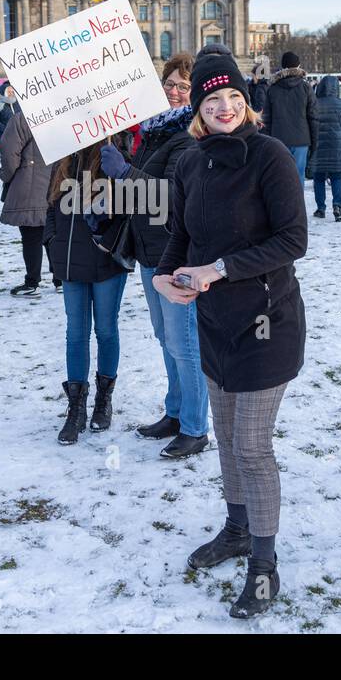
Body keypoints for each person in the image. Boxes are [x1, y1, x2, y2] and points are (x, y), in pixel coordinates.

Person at [155, 45, 308, 619]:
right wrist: (167, 276)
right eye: (212, 98)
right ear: (197, 106)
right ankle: (237, 528)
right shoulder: (191, 161)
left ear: (248, 102)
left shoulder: (269, 157)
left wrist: (219, 270)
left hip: (268, 323)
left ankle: (264, 567)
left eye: (234, 97)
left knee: (251, 445)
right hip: (214, 323)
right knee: (224, 436)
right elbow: (181, 234)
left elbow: (293, 240)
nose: (224, 106)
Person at [101, 51, 209, 457]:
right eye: (170, 84)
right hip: (151, 252)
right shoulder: (153, 132)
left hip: (177, 252)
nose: (176, 91)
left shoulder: (190, 137)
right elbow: (141, 190)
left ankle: (196, 427)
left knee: (184, 342)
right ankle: (176, 411)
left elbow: (169, 196)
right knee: (166, 338)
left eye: (184, 86)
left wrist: (126, 173)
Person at [46, 142, 130, 445]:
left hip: (105, 261)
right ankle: (76, 405)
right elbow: (51, 207)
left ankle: (103, 400)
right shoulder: (63, 158)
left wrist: (106, 225)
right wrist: (53, 244)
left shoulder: (114, 153)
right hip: (69, 262)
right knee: (76, 333)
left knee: (106, 330)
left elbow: (130, 207)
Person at [0, 104, 51, 297]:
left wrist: (6, 175)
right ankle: (59, 278)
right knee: (51, 234)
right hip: (57, 185)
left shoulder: (22, 119)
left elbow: (9, 153)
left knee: (31, 236)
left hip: (30, 185)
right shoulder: (61, 116)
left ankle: (32, 281)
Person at [260, 51, 317, 183]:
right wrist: (314, 141)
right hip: (301, 139)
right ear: (298, 66)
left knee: (279, 176)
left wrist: (266, 141)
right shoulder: (306, 87)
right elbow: (313, 117)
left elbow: (266, 119)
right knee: (298, 177)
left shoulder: (272, 88)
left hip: (278, 139)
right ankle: (297, 203)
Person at [310, 73, 341, 219]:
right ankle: (337, 206)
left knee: (319, 178)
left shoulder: (314, 104)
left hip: (318, 146)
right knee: (337, 177)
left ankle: (320, 208)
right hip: (338, 146)